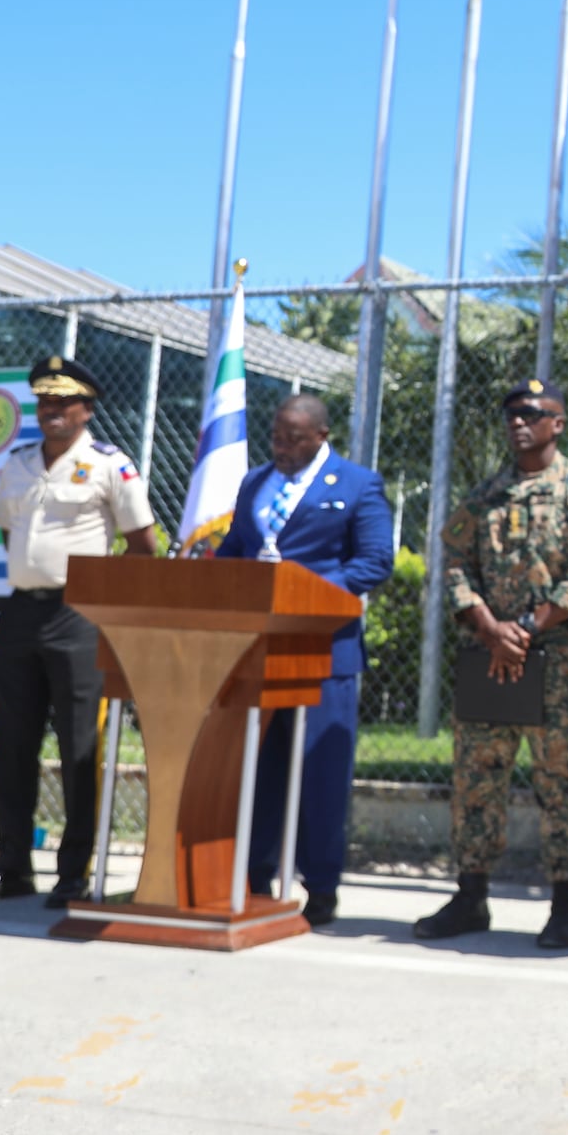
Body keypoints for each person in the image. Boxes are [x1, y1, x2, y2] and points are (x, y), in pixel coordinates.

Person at [417, 380, 568, 950]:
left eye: (532, 413)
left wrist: (528, 628)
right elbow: (454, 561)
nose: (518, 422)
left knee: (561, 784)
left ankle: (565, 906)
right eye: (511, 414)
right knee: (477, 779)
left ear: (558, 423)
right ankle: (470, 895)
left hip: (554, 664)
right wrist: (487, 624)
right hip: (492, 662)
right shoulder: (486, 496)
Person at [0, 356, 158, 906]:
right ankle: (12, 867)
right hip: (19, 613)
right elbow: (11, 529)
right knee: (12, 744)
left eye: (64, 403)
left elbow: (143, 545)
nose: (51, 411)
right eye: (44, 402)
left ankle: (73, 872)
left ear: (86, 409)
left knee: (81, 745)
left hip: (78, 617)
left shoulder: (110, 464)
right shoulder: (17, 463)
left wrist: (110, 607)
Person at [217, 393, 392, 929]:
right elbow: (235, 549)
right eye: (276, 437)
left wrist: (305, 594)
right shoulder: (254, 482)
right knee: (258, 768)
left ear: (321, 435)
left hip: (324, 651)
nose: (283, 448)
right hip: (256, 649)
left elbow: (373, 562)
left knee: (319, 773)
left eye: (295, 439)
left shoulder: (359, 485)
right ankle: (254, 874)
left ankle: (320, 885)